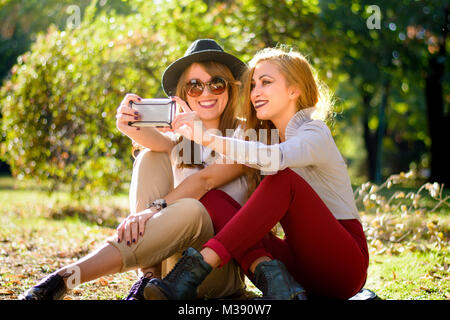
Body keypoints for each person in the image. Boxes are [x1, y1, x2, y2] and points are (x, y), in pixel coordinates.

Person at [20, 39, 251, 300]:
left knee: (192, 207)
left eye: (216, 83)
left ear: (231, 88)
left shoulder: (247, 136)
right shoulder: (183, 140)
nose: (206, 93)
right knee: (149, 157)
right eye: (195, 86)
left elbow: (204, 181)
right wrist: (127, 125)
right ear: (183, 94)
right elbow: (159, 145)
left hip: (214, 268)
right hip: (167, 266)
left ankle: (64, 278)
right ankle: (147, 278)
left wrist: (153, 210)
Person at [142, 46, 369, 300]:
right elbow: (218, 164)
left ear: (294, 90)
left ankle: (189, 274)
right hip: (301, 267)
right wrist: (168, 133)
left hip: (344, 267)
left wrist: (205, 138)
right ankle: (279, 284)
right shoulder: (267, 139)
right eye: (252, 85)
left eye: (266, 82)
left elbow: (276, 158)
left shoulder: (315, 133)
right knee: (211, 197)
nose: (255, 92)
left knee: (282, 177)